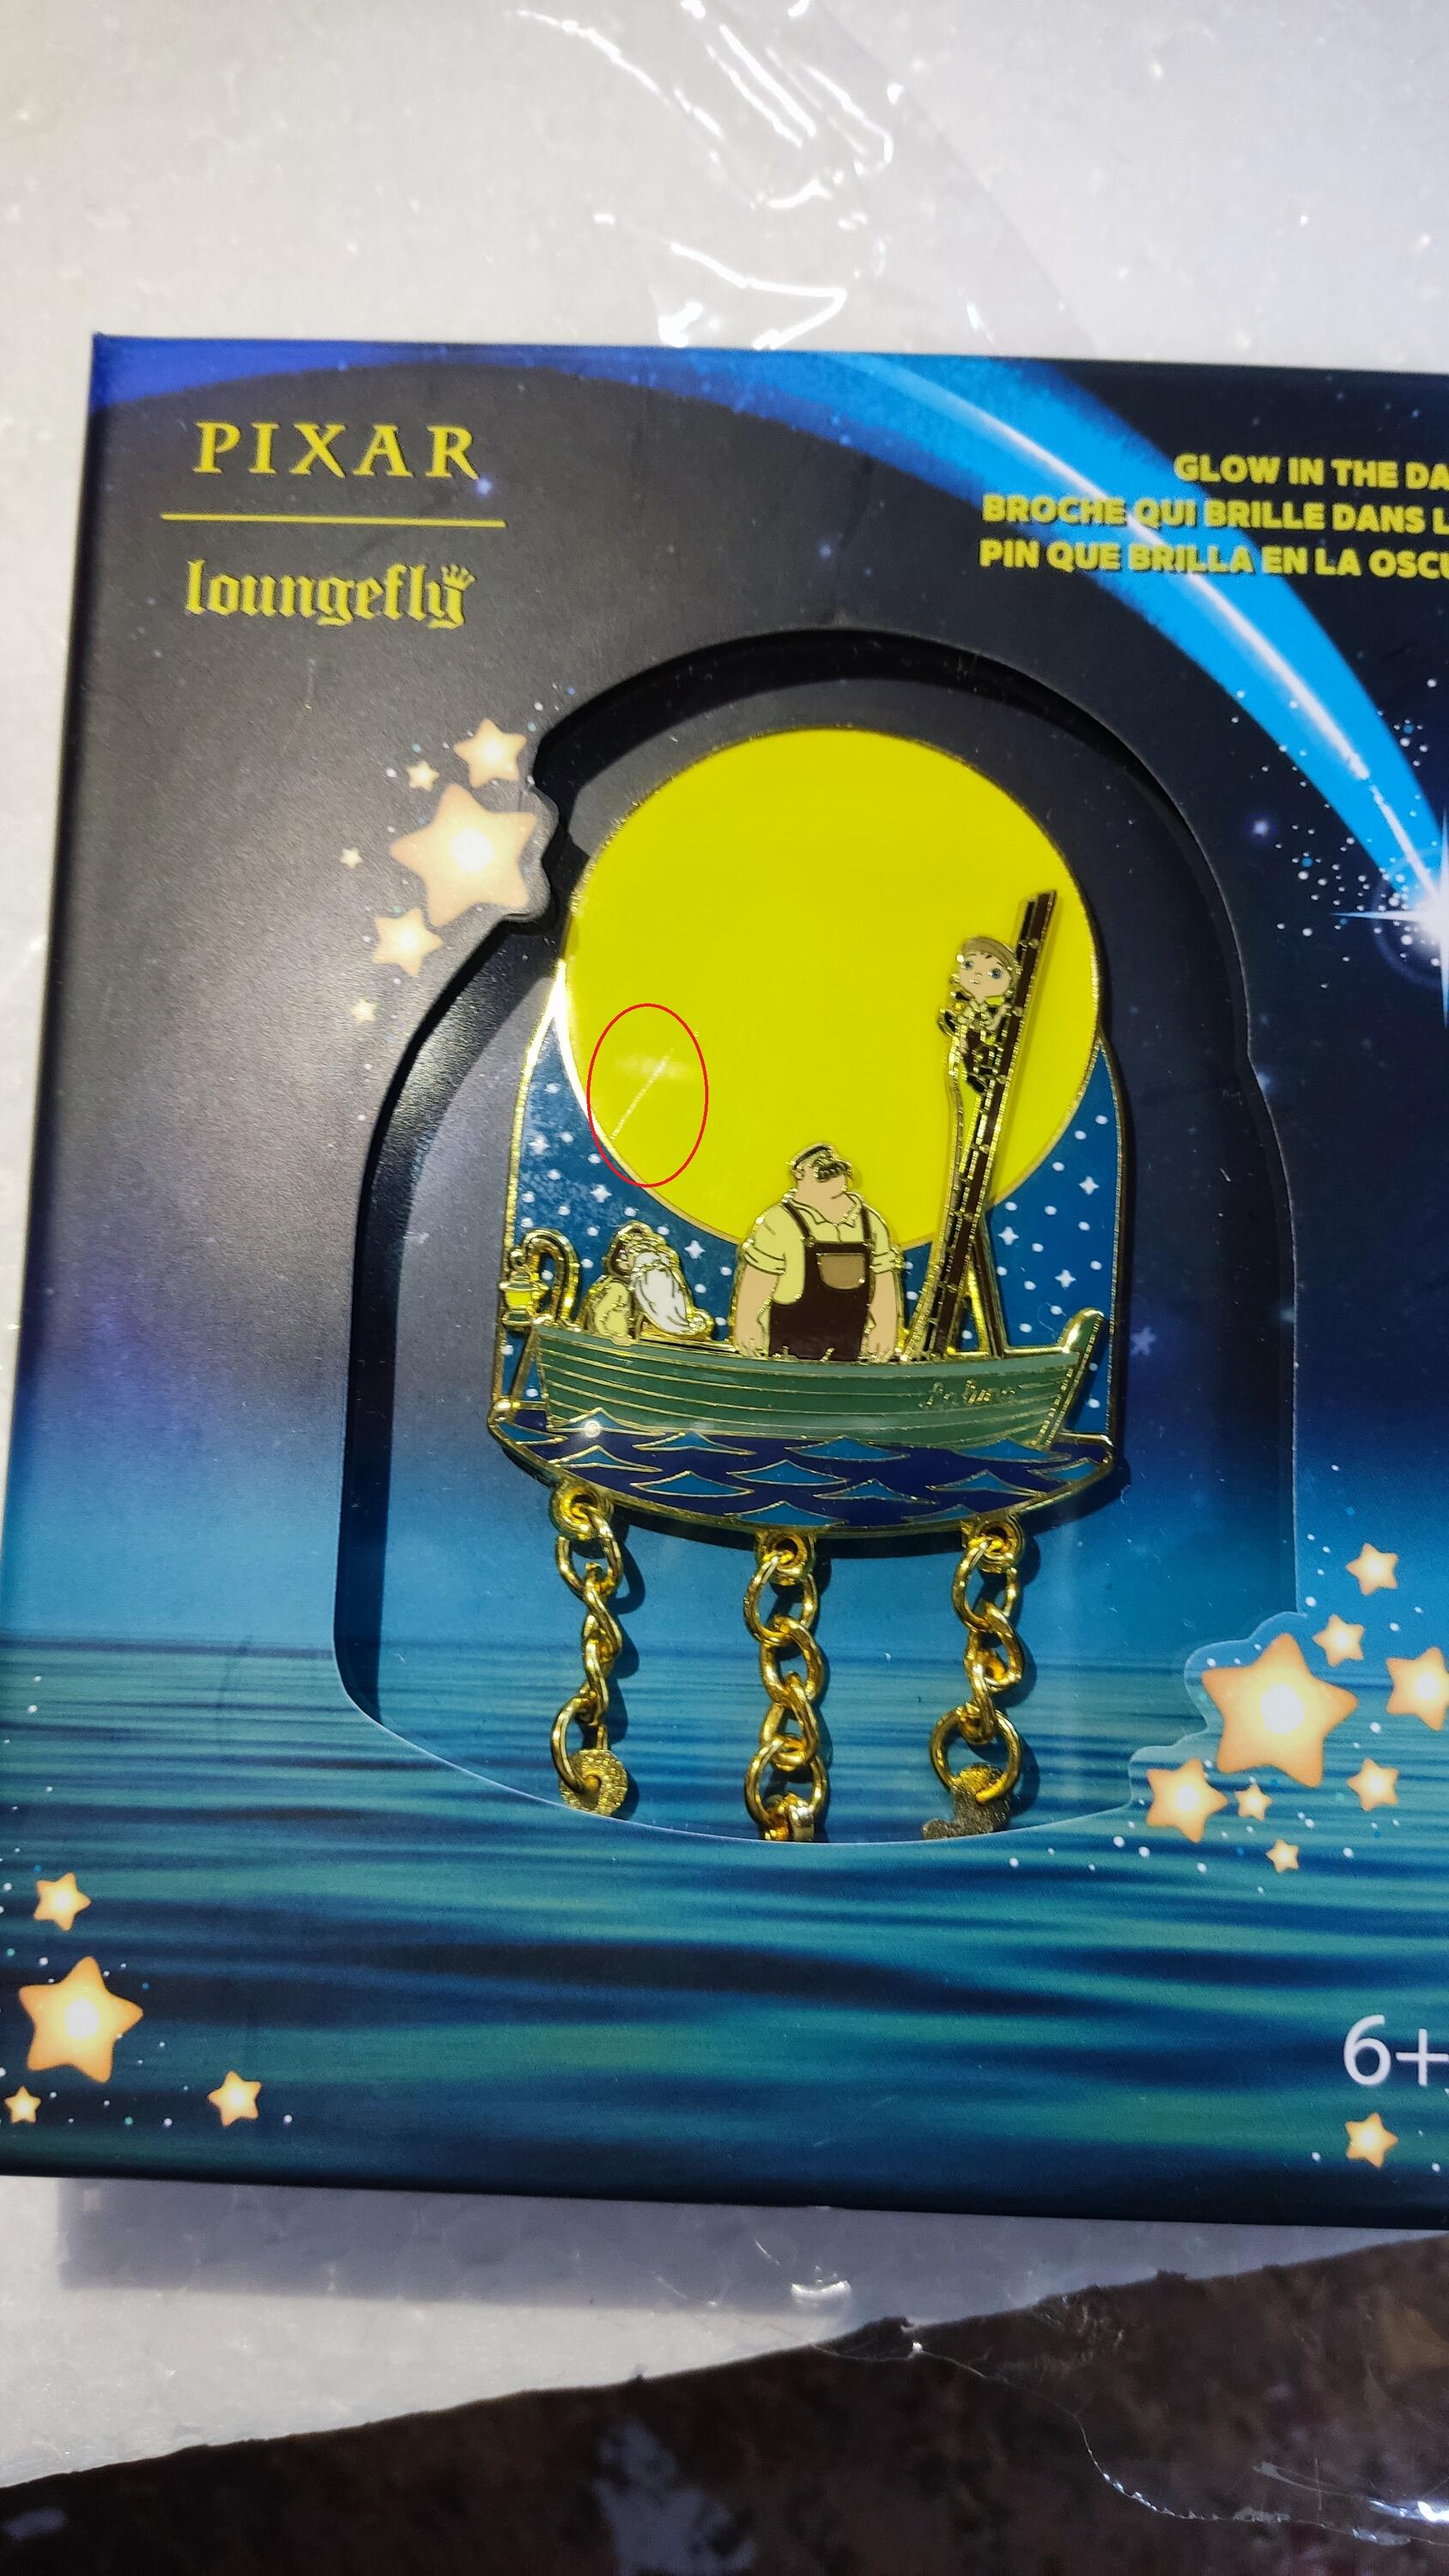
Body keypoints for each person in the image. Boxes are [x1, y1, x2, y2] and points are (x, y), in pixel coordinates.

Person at [731, 1144, 901, 1364]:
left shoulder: (870, 1222)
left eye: (834, 1167)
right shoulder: (780, 1221)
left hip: (852, 1346)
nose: (831, 1173)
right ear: (800, 1173)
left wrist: (886, 1326)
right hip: (789, 1348)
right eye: (820, 1167)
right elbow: (760, 1276)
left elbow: (882, 1276)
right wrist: (747, 1322)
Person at [579, 1221, 715, 1344]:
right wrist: (609, 1336)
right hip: (613, 1340)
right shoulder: (617, 1287)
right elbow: (598, 1315)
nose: (627, 1258)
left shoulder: (643, 1288)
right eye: (625, 1253)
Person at [940, 933, 1019, 1087]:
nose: (978, 974)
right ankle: (972, 1073)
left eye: (995, 973)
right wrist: (959, 1028)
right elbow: (968, 1021)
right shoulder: (968, 1004)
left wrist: (1001, 1012)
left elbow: (990, 1026)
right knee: (966, 1048)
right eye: (969, 965)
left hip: (978, 1036)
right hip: (967, 1032)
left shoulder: (984, 1008)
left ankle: (975, 1073)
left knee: (977, 1051)